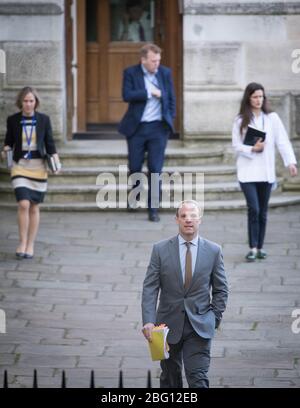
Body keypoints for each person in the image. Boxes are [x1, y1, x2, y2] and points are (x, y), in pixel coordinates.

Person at [141, 200, 228, 388]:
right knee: (170, 379)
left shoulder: (213, 251)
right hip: (167, 326)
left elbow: (221, 289)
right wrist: (148, 320)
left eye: (193, 216)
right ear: (177, 220)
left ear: (200, 220)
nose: (188, 220)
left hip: (200, 326)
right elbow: (150, 287)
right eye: (184, 216)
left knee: (198, 377)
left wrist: (214, 317)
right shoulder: (160, 249)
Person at [232, 82, 298, 262]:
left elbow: (282, 141)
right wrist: (252, 149)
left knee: (263, 212)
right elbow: (236, 145)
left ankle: (260, 247)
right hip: (247, 172)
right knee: (253, 209)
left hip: (266, 172)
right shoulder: (240, 120)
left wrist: (290, 162)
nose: (258, 100)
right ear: (248, 98)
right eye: (255, 97)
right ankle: (252, 248)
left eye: (261, 96)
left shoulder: (272, 118)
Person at [118, 43, 176, 222]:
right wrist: (150, 93)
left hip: (158, 128)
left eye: (158, 60)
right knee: (134, 166)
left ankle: (153, 209)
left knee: (155, 169)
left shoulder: (165, 73)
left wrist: (169, 119)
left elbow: (171, 98)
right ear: (143, 60)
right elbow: (126, 95)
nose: (156, 64)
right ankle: (135, 197)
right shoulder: (131, 72)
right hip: (137, 128)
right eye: (153, 61)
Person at [2, 86, 60, 259]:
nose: (28, 104)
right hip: (20, 166)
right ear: (20, 102)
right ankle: (21, 242)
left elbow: (50, 144)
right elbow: (8, 142)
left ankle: (30, 244)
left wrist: (56, 163)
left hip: (39, 167)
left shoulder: (44, 120)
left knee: (34, 206)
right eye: (25, 101)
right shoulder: (13, 120)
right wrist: (5, 151)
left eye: (31, 101)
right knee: (23, 204)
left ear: (36, 102)